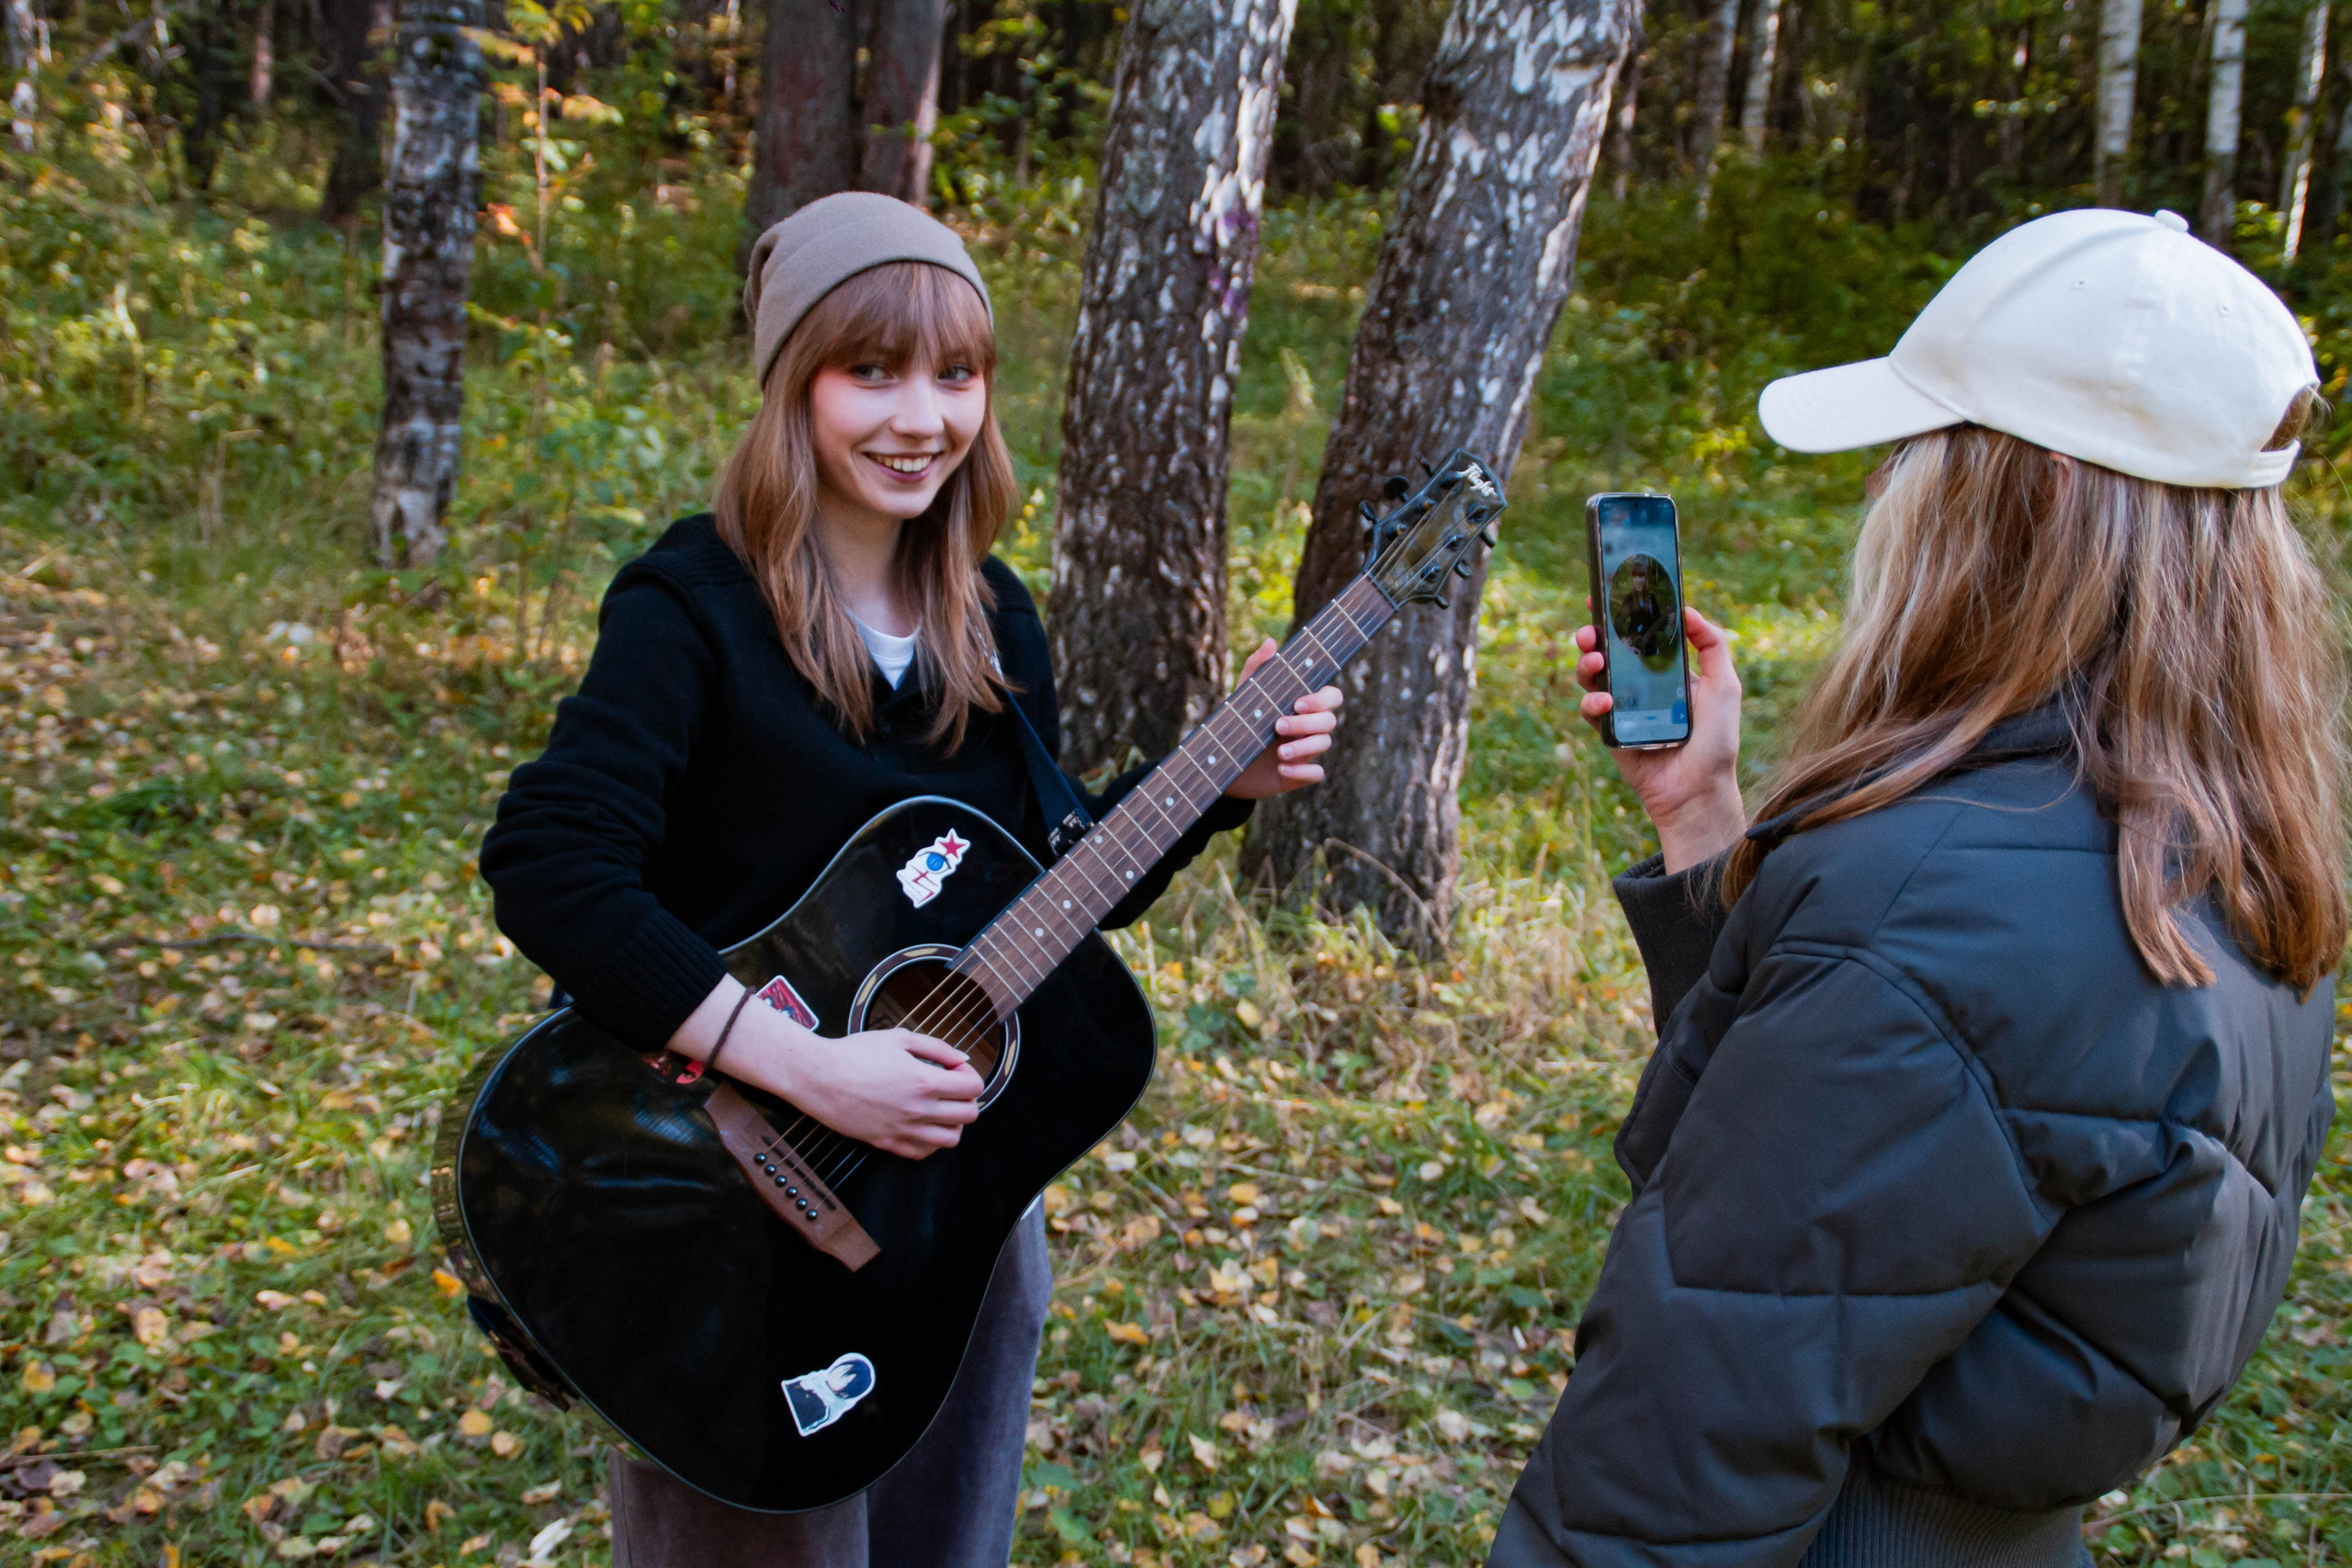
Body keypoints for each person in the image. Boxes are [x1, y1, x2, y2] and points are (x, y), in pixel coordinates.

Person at [478, 191, 1345, 1567]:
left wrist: (1218, 789)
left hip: (950, 1195)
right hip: (720, 1187)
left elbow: (1048, 894)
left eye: (955, 375)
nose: (918, 417)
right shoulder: (692, 607)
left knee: (947, 1533)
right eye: (869, 371)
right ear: (792, 384)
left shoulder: (990, 617)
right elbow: (550, 866)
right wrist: (811, 1071)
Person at [1492, 207, 2344, 1566]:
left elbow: (1667, 1483)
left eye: (1914, 451)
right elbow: (1859, 1161)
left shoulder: (1925, 914)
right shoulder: (2233, 872)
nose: (1886, 495)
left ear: (2039, 492)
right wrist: (1705, 814)